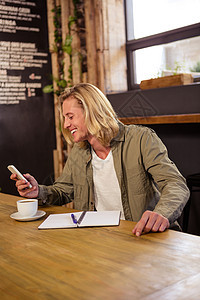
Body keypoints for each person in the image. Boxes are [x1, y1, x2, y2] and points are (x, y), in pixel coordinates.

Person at [10, 83, 189, 236]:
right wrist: (37, 192)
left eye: (70, 117)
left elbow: (175, 183)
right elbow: (64, 190)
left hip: (142, 234)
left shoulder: (141, 139)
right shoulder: (79, 151)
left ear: (91, 111)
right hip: (99, 236)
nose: (65, 125)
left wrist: (161, 213)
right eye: (65, 118)